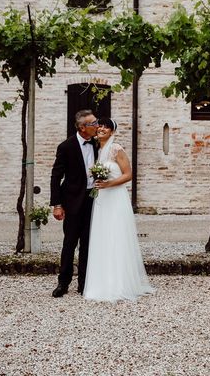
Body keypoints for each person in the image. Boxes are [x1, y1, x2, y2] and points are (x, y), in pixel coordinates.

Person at [83, 118, 155, 302]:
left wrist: (108, 184)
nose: (102, 128)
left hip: (115, 197)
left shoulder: (117, 149)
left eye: (107, 127)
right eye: (100, 126)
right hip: (102, 200)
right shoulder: (97, 150)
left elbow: (128, 174)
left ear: (112, 132)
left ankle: (120, 283)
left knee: (116, 236)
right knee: (103, 237)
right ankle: (101, 282)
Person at [49, 109, 99, 298]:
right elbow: (56, 176)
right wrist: (57, 204)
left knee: (87, 244)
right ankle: (63, 283)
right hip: (71, 201)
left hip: (93, 200)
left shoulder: (98, 144)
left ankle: (84, 283)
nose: (97, 125)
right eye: (93, 123)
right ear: (82, 127)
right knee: (69, 243)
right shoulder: (66, 147)